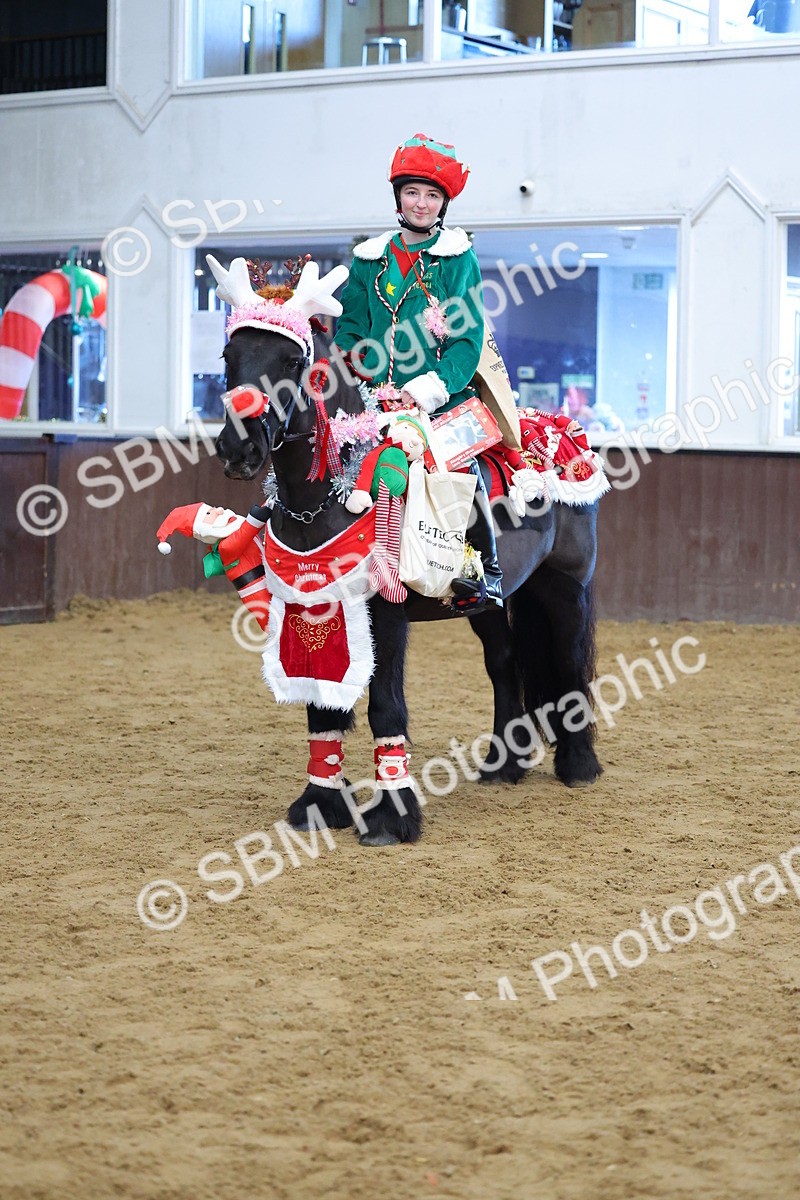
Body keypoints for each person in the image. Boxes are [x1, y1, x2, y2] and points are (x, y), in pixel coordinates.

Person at [333, 132, 503, 616]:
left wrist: (428, 389)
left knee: (457, 469)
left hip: (441, 402)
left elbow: (467, 341)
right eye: (413, 193)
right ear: (398, 199)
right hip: (377, 404)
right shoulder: (368, 259)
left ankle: (486, 570)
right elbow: (349, 328)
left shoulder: (457, 257)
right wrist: (364, 371)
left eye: (432, 195)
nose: (422, 203)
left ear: (443, 202)